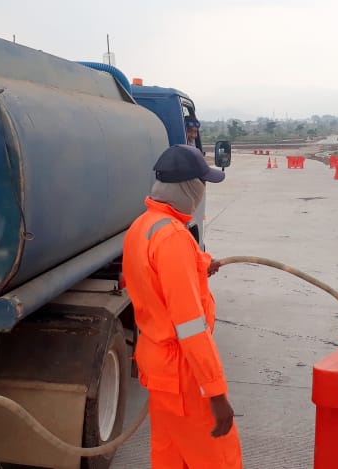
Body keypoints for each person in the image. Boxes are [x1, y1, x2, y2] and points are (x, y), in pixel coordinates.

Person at [121, 144, 242, 468]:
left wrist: (200, 263)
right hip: (183, 376)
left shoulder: (143, 226)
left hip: (159, 368)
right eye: (201, 183)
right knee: (219, 460)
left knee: (171, 457)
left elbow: (157, 276)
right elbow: (191, 327)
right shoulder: (173, 237)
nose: (203, 191)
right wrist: (215, 394)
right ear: (189, 187)